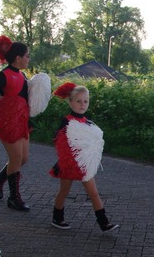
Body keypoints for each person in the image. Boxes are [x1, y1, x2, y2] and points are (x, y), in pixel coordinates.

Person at [49, 83, 119, 232]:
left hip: (84, 165)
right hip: (68, 164)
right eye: (78, 101)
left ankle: (104, 223)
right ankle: (57, 218)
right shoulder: (66, 121)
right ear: (70, 102)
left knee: (93, 192)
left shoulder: (88, 123)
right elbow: (58, 141)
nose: (82, 104)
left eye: (86, 101)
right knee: (64, 191)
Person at [0, 36, 31, 211]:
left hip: (21, 121)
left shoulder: (22, 75)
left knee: (23, 158)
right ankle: (14, 198)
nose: (28, 59)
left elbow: (24, 99)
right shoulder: (3, 75)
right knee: (16, 158)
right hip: (7, 122)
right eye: (27, 56)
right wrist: (4, 106)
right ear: (18, 58)